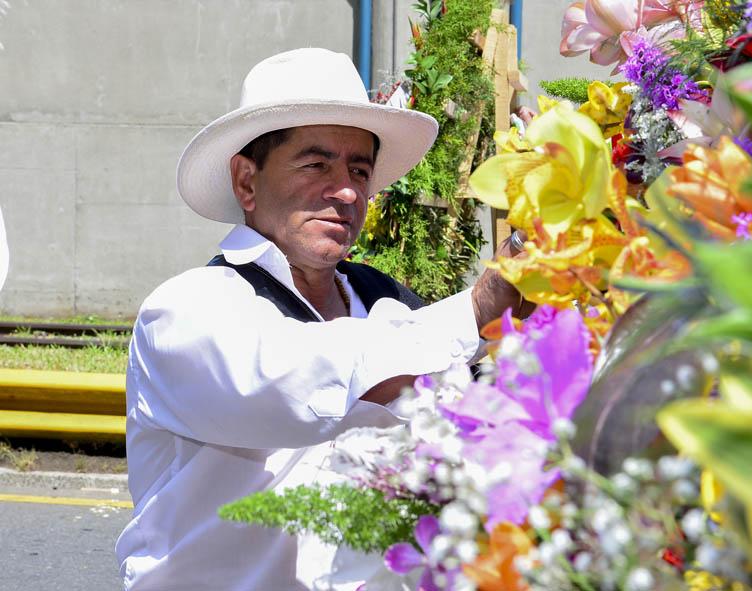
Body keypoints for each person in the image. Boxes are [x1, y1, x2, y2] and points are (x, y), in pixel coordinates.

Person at [115, 48, 527, 590]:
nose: (347, 191)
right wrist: (479, 308)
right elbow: (294, 379)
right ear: (246, 181)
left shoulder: (393, 305)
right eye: (316, 165)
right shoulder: (186, 311)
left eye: (360, 169)